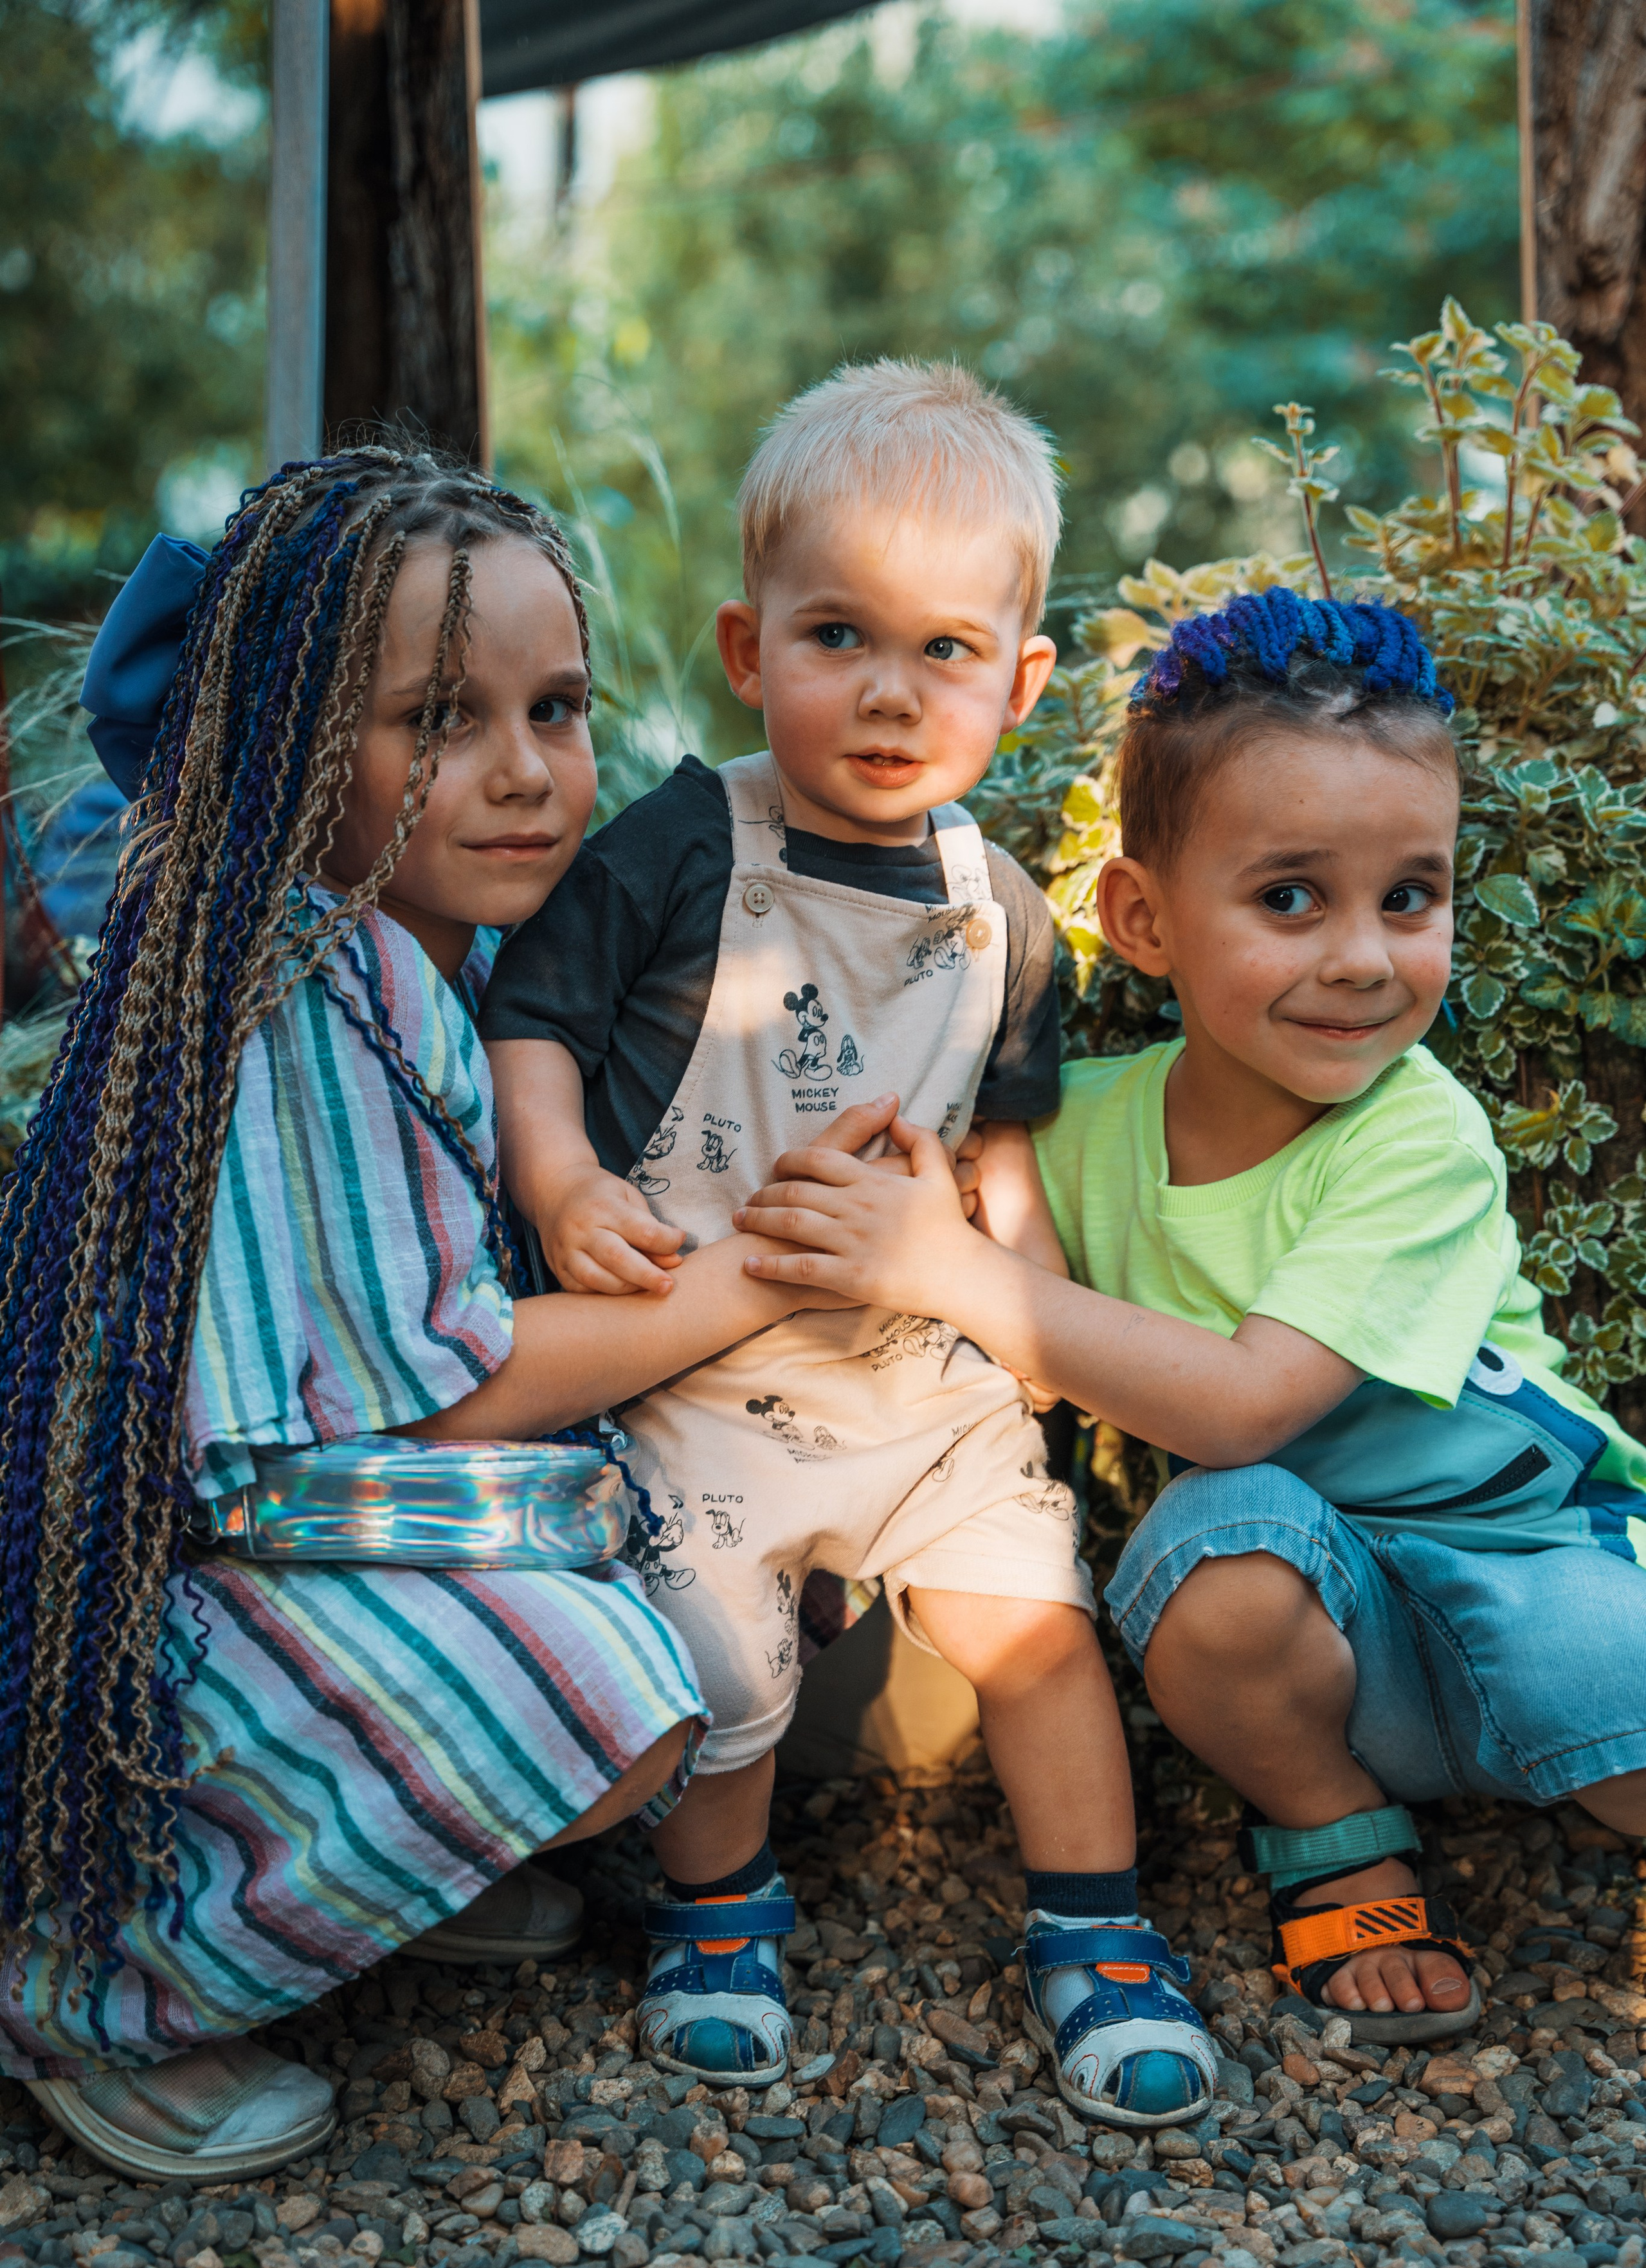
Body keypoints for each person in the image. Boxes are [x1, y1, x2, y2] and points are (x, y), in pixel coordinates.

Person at [0, 446, 878, 2184]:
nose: (528, 775)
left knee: (668, 1606)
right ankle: (94, 1979)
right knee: (638, 1681)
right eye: (440, 720)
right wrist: (769, 1270)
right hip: (173, 1615)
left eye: (557, 709)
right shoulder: (307, 985)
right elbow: (445, 1400)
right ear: (293, 750)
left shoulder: (406, 949)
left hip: (259, 1548)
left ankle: (366, 1877)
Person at [731, 584, 1646, 2046]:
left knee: (1604, 1679)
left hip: (1530, 1563)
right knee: (1210, 1558)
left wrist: (955, 1270)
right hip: (1316, 1627)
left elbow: (1237, 1400)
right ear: (1141, 920)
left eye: (1408, 896)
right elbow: (929, 1258)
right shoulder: (1080, 1131)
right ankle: (1332, 1830)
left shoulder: (1419, 1141)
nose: (1360, 954)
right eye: (1290, 897)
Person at [482, 361, 1216, 2127]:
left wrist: (1038, 1323)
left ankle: (1098, 1931)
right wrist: (567, 1183)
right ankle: (719, 1906)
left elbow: (1003, 1144)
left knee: (1038, 1631)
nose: (891, 694)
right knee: (729, 1677)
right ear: (749, 649)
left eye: (947, 652)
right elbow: (538, 1026)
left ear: (1023, 682)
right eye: (838, 638)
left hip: (924, 1371)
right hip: (701, 1377)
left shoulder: (1005, 911)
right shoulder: (676, 845)